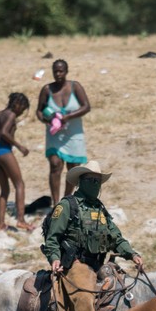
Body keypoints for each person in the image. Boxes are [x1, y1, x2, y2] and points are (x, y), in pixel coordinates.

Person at [42, 160, 143, 311]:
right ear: (81, 181)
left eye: (98, 181)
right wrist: (55, 258)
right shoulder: (67, 206)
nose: (95, 184)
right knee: (84, 297)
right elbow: (52, 238)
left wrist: (132, 254)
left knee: (126, 290)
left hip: (99, 264)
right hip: (77, 264)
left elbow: (116, 238)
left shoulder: (100, 209)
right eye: (91, 180)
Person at [36, 59, 91, 204]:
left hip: (74, 134)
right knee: (55, 165)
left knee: (73, 168)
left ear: (66, 72)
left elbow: (86, 106)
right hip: (55, 134)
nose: (58, 74)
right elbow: (39, 111)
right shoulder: (47, 89)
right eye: (55, 71)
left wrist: (67, 117)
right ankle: (55, 203)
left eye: (61, 71)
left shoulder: (75, 86)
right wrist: (47, 120)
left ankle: (66, 200)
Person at [0, 92, 34, 232]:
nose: (22, 111)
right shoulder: (11, 115)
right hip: (3, 150)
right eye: (22, 108)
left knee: (5, 190)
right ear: (17, 104)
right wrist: (19, 146)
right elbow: (4, 132)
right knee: (19, 184)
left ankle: (0, 224)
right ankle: (21, 221)